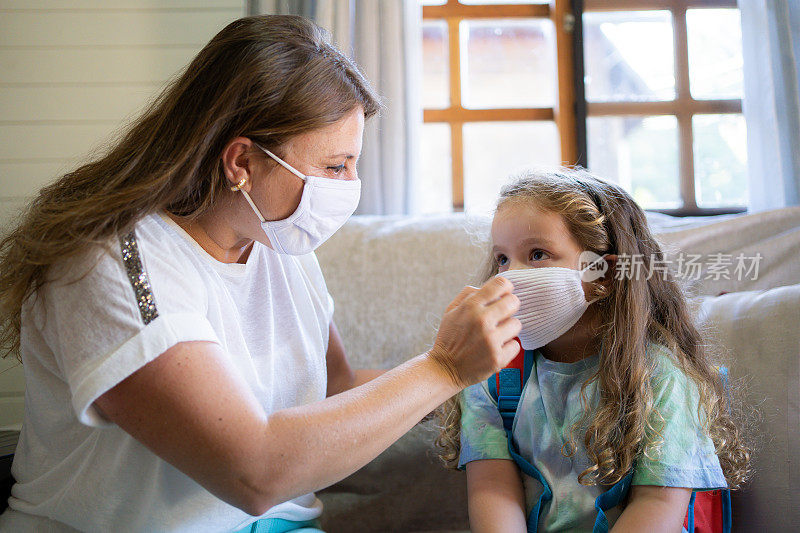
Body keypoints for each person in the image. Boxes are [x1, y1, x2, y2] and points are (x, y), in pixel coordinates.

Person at [0, 15, 522, 532]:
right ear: (241, 163)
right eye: (335, 167)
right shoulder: (108, 263)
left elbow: (336, 389)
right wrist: (442, 369)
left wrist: (480, 384)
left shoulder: (278, 243)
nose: (350, 186)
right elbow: (254, 472)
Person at [435, 168, 752, 532]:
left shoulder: (662, 378)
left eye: (537, 254)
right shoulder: (490, 375)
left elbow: (658, 505)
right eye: (503, 259)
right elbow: (491, 489)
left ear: (603, 275)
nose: (508, 277)